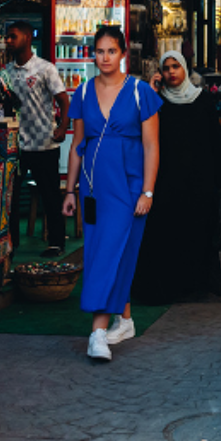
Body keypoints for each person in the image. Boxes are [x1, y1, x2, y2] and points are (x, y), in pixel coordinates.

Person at [64, 26, 162, 361]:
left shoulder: (140, 92)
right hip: (93, 187)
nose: (105, 58)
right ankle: (126, 320)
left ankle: (97, 332)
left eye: (111, 51)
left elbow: (152, 146)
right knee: (105, 250)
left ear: (123, 54)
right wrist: (69, 189)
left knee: (109, 251)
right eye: (100, 51)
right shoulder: (83, 92)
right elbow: (77, 146)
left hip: (129, 184)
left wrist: (147, 190)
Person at [132, 52, 221, 303]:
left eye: (176, 66)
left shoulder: (202, 100)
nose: (171, 72)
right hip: (167, 181)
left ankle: (196, 285)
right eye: (166, 68)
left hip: (199, 181)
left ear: (185, 68)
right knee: (168, 233)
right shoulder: (158, 103)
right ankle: (171, 285)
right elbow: (144, 133)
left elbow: (215, 141)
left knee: (197, 231)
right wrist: (152, 92)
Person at [0, 21, 72, 257]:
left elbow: (63, 100)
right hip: (16, 146)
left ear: (28, 38)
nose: (8, 41)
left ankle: (57, 242)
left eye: (13, 36)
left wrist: (63, 126)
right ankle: (12, 243)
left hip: (44, 143)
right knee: (10, 196)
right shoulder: (5, 73)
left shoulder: (45, 68)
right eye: (7, 37)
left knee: (50, 195)